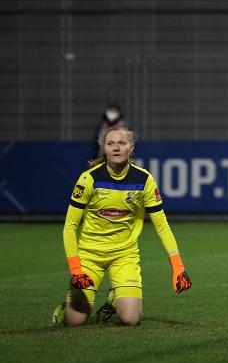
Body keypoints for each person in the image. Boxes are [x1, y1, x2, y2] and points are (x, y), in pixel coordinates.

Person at [52, 125, 191, 326]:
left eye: (122, 143)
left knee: (131, 319)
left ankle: (113, 301)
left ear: (131, 147)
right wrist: (76, 270)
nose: (116, 148)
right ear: (104, 147)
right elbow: (70, 226)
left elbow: (162, 226)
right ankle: (67, 306)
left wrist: (178, 267)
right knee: (75, 321)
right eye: (111, 143)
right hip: (89, 256)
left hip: (124, 255)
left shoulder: (144, 180)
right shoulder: (89, 179)